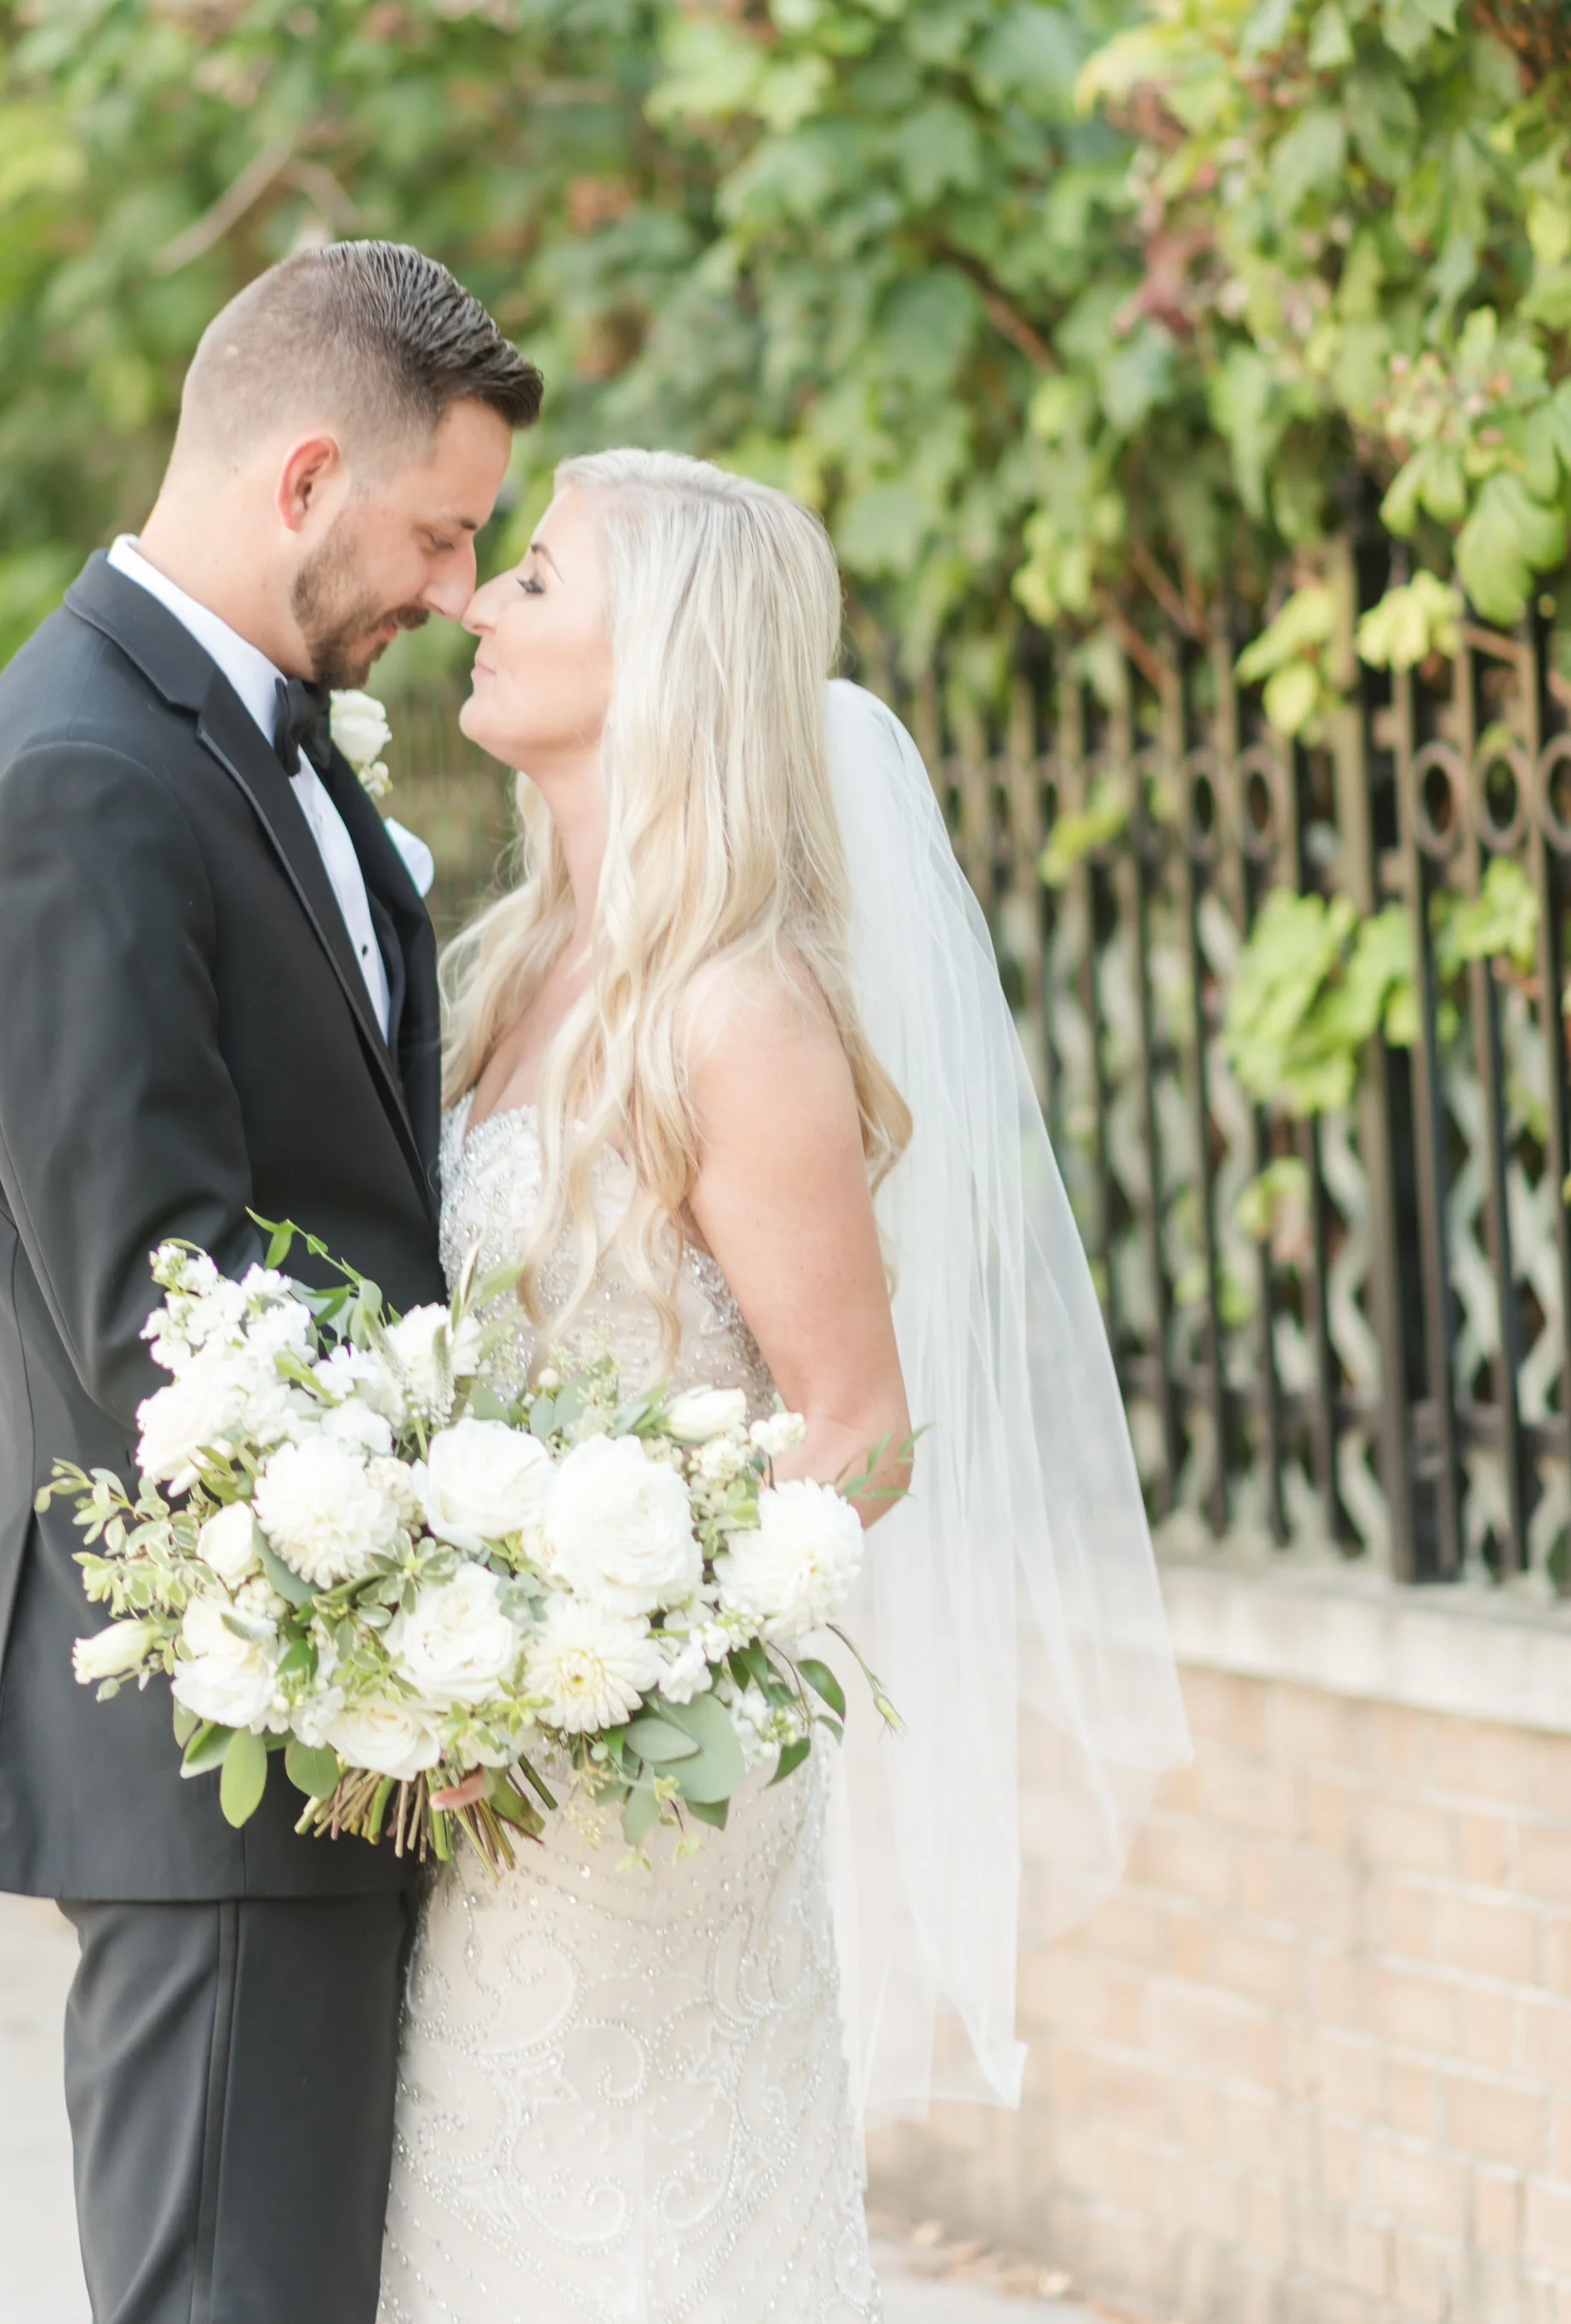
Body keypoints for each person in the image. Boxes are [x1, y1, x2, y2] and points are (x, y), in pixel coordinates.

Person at [376, 449, 1190, 2324]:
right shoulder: (512, 972)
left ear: (659, 659)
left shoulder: (735, 1012)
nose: (478, 601)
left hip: (634, 1788)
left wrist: (590, 1670)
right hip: (480, 1787)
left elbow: (857, 1427)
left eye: (537, 578)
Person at [0, 241, 542, 2324]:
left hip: (320, 1744)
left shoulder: (248, 741)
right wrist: (432, 1628)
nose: (454, 588)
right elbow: (164, 1310)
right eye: (437, 533)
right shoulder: (78, 783)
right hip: (230, 1742)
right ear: (304, 478)